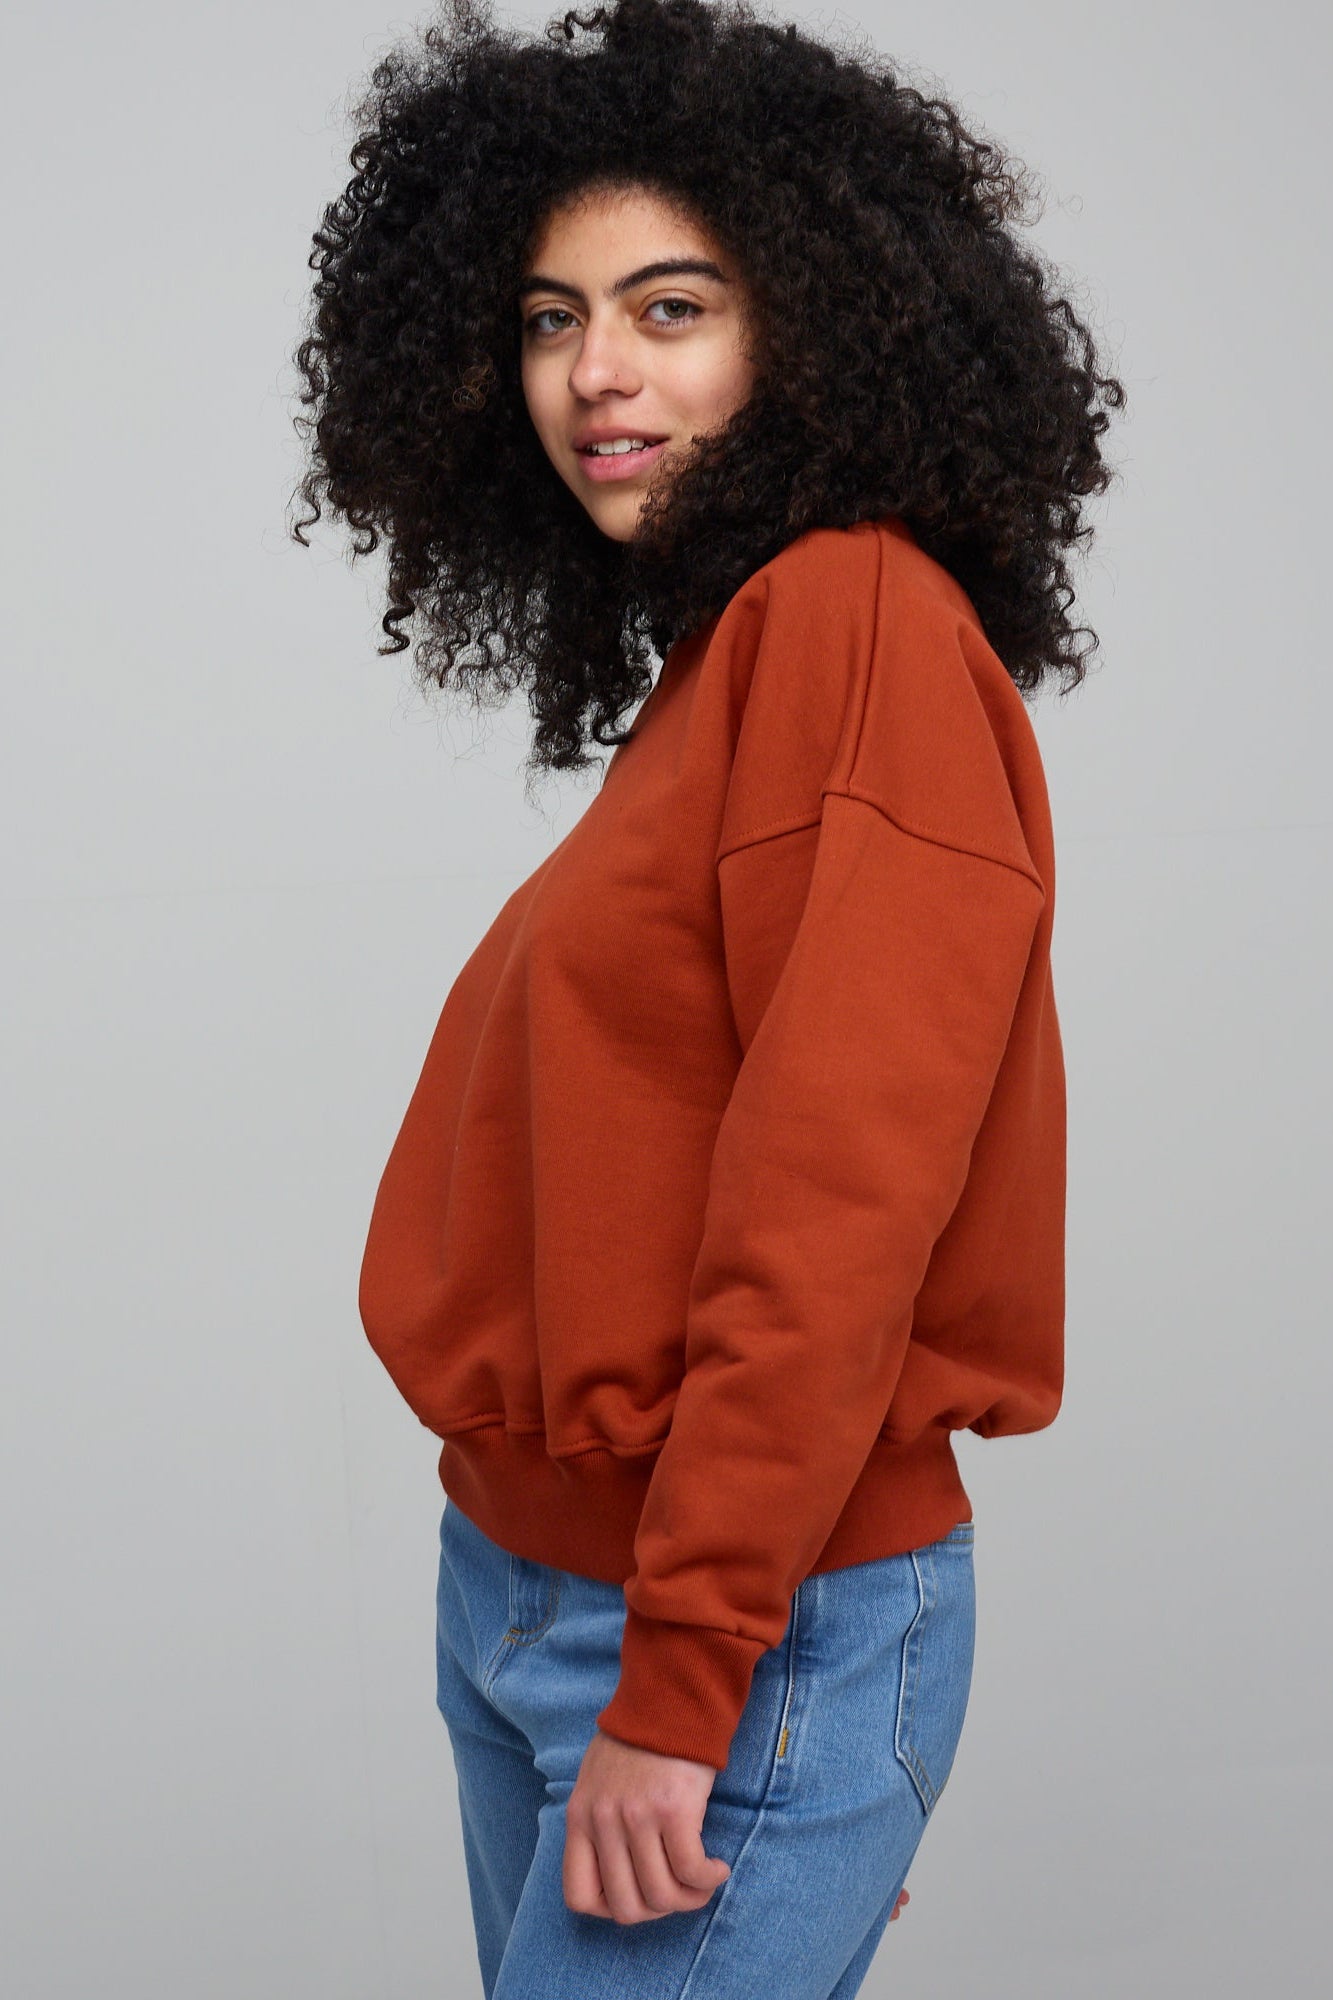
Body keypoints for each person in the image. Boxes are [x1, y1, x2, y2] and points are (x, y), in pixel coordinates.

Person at [289, 0, 1125, 1991]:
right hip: (538, 1588)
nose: (595, 371)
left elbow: (838, 1202)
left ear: (814, 328)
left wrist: (699, 1679)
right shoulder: (732, 656)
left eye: (671, 308)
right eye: (548, 319)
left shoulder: (855, 626)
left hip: (728, 1625)